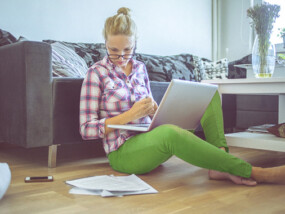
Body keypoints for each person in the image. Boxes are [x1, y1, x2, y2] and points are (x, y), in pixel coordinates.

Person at [80, 7, 285, 186]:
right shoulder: (96, 73)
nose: (122, 58)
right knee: (169, 133)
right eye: (113, 51)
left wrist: (155, 110)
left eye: (128, 50)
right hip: (122, 151)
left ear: (135, 44)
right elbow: (86, 129)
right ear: (104, 43)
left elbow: (150, 113)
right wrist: (129, 115)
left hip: (150, 138)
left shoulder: (140, 68)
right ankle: (255, 172)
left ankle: (221, 162)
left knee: (209, 93)